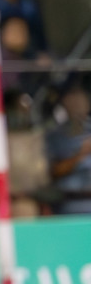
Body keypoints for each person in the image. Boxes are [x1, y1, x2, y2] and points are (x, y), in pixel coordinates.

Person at [47, 81, 91, 215]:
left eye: (79, 97)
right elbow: (52, 172)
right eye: (71, 97)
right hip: (69, 204)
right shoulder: (55, 135)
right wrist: (80, 155)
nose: (76, 102)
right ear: (63, 102)